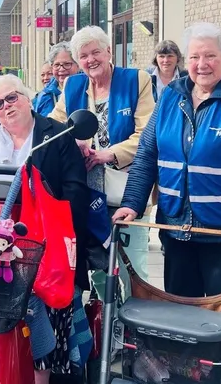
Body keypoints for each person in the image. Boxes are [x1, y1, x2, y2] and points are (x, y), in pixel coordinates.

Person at [114, 23, 221, 297]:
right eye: (195, 57)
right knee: (182, 320)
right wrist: (132, 203)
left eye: (210, 56)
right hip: (176, 232)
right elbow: (148, 154)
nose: (202, 64)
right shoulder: (172, 97)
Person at [0, 74, 93, 383]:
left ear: (27, 97)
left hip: (42, 238)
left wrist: (47, 226)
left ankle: (43, 368)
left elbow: (74, 192)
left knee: (39, 300)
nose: (7, 107)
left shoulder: (56, 134)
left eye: (12, 97)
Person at [49, 26, 154, 298]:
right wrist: (73, 143)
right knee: (97, 269)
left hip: (126, 191)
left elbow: (147, 133)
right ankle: (108, 325)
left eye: (96, 51)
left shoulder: (136, 80)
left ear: (109, 51)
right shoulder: (72, 85)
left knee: (134, 269)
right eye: (83, 56)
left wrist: (109, 153)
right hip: (87, 193)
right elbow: (55, 127)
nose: (90, 59)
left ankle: (136, 331)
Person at [34, 42, 78, 117]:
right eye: (57, 65)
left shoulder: (87, 88)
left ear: (77, 65)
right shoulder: (44, 96)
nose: (61, 69)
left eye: (67, 64)